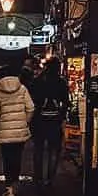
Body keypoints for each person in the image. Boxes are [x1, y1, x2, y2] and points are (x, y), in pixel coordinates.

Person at [0, 68, 34, 196]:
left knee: (7, 159)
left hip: (4, 131)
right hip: (20, 130)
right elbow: (31, 108)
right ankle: (15, 184)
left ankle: (9, 188)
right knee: (17, 157)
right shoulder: (22, 88)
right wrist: (25, 121)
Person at [31, 60, 70, 188]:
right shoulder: (61, 83)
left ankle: (38, 178)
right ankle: (49, 179)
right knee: (53, 150)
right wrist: (61, 117)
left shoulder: (37, 81)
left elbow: (32, 102)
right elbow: (66, 103)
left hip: (39, 121)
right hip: (55, 121)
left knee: (39, 150)